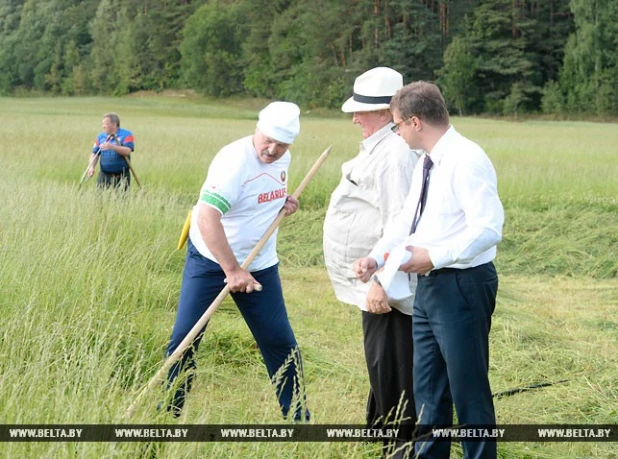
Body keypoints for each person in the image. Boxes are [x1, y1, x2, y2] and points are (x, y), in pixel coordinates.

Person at [353, 81, 504, 459]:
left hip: (462, 285)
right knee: (429, 388)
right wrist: (377, 259)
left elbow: (487, 228)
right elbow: (407, 222)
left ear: (416, 122)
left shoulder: (467, 159)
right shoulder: (427, 162)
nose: (397, 132)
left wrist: (435, 258)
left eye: (398, 125)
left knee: (468, 390)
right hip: (429, 288)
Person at [163, 101, 309, 421]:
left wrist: (282, 201)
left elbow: (261, 192)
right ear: (257, 129)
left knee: (280, 342)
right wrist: (232, 269)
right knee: (185, 339)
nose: (271, 150)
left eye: (281, 145)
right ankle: (167, 416)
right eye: (267, 140)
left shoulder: (284, 157)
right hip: (210, 262)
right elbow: (207, 216)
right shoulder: (234, 161)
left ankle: (299, 419)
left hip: (259, 266)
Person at [323, 67, 421, 455]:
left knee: (394, 365)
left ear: (387, 111)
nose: (354, 118)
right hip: (374, 280)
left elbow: (402, 224)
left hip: (389, 289)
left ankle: (400, 447)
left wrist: (384, 282)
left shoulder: (395, 155)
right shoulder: (381, 147)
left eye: (362, 110)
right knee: (382, 363)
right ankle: (379, 435)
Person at [88, 113, 135, 190]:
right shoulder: (100, 137)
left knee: (122, 199)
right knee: (100, 199)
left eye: (106, 124)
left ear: (114, 124)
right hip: (104, 175)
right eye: (103, 124)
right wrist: (91, 166)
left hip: (122, 175)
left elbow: (127, 151)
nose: (103, 126)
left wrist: (112, 147)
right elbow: (94, 154)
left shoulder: (126, 135)